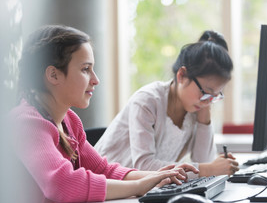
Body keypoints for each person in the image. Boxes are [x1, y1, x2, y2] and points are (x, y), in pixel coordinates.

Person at [9, 25, 198, 203]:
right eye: (85, 69)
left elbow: (103, 170)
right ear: (53, 75)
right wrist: (138, 187)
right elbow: (61, 183)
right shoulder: (26, 123)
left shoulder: (70, 121)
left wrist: (155, 176)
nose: (95, 79)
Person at [95, 30, 239, 177]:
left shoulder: (195, 109)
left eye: (215, 96)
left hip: (144, 191)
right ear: (182, 75)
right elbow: (144, 166)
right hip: (106, 187)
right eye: (206, 91)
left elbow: (204, 162)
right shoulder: (147, 101)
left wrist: (204, 116)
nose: (208, 101)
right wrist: (208, 169)